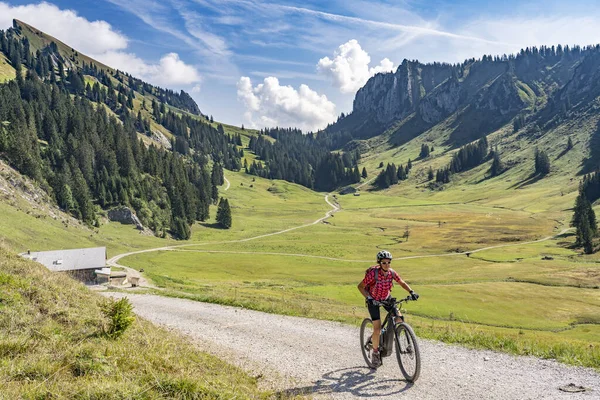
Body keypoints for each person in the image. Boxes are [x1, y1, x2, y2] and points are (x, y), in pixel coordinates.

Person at [357, 250, 419, 368]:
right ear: (379, 263)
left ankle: (403, 340)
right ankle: (375, 353)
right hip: (373, 300)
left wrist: (411, 291)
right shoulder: (373, 274)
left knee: (399, 319)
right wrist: (368, 298)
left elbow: (401, 282)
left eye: (388, 262)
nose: (386, 265)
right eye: (384, 262)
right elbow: (360, 287)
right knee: (377, 329)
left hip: (386, 298)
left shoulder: (391, 273)